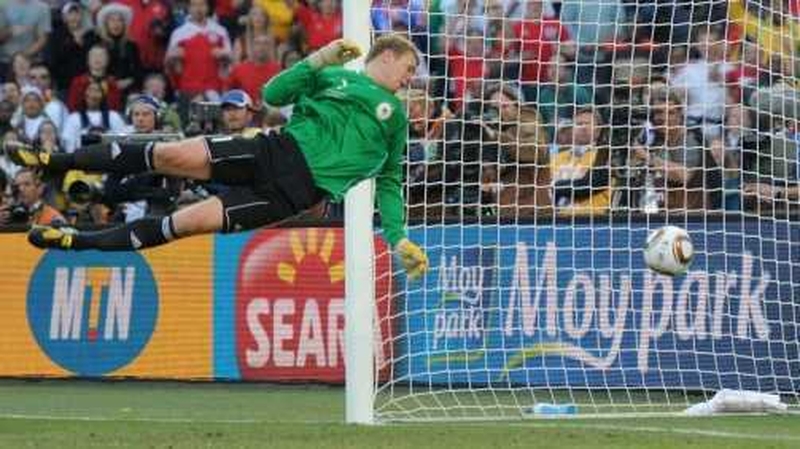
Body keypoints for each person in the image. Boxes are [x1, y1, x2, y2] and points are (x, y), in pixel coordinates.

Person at [6, 35, 429, 279]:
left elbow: (389, 183)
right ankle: (50, 160)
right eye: (409, 68)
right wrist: (318, 60)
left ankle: (76, 241)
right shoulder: (334, 76)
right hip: (273, 150)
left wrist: (398, 237)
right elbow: (273, 95)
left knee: (181, 224)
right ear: (386, 56)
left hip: (294, 194)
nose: (410, 78)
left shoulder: (393, 122)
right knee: (166, 154)